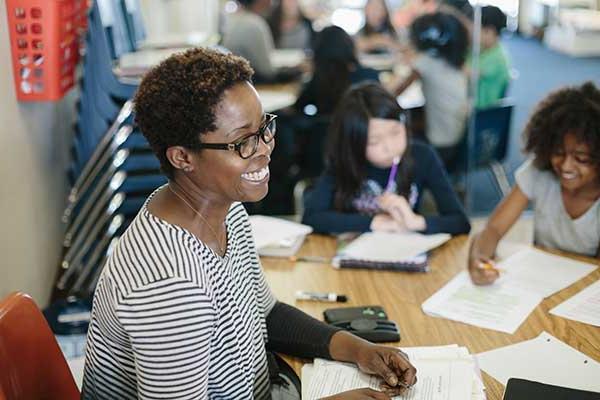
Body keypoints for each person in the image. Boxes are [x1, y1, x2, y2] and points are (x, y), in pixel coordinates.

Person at [81, 48, 417, 400]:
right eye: (242, 141)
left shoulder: (225, 208)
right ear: (182, 157)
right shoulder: (170, 283)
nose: (265, 149)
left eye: (264, 128)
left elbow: (265, 314)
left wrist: (359, 350)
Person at [468, 82, 600, 285]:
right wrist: (479, 259)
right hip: (540, 281)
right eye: (558, 152)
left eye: (581, 159)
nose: (565, 166)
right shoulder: (539, 171)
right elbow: (493, 229)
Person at [302, 82, 470, 235]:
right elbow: (311, 218)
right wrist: (374, 222)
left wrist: (415, 221)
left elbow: (460, 222)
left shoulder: (422, 155)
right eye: (374, 142)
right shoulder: (346, 160)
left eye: (395, 132)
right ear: (354, 143)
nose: (389, 148)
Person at [393, 11, 469, 164]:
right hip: (458, 136)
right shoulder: (457, 62)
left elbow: (394, 91)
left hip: (439, 144)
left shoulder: (425, 62)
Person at [295, 25, 380, 116]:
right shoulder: (369, 76)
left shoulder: (318, 80)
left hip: (326, 129)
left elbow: (297, 108)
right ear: (349, 46)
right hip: (361, 128)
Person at [222, 0, 302, 83]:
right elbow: (268, 72)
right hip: (252, 85)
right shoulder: (254, 24)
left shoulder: (231, 18)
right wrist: (297, 71)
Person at [474, 5, 510, 108]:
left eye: (477, 28)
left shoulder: (498, 58)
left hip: (483, 113)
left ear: (489, 31)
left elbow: (468, 72)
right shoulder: (484, 50)